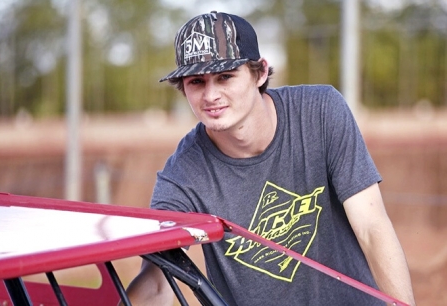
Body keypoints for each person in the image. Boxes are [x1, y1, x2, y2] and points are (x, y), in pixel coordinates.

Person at [124, 11, 416, 306]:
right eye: (197, 82)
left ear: (260, 72)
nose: (210, 95)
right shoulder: (183, 174)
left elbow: (371, 226)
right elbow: (158, 282)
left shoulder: (320, 112)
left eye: (225, 76)